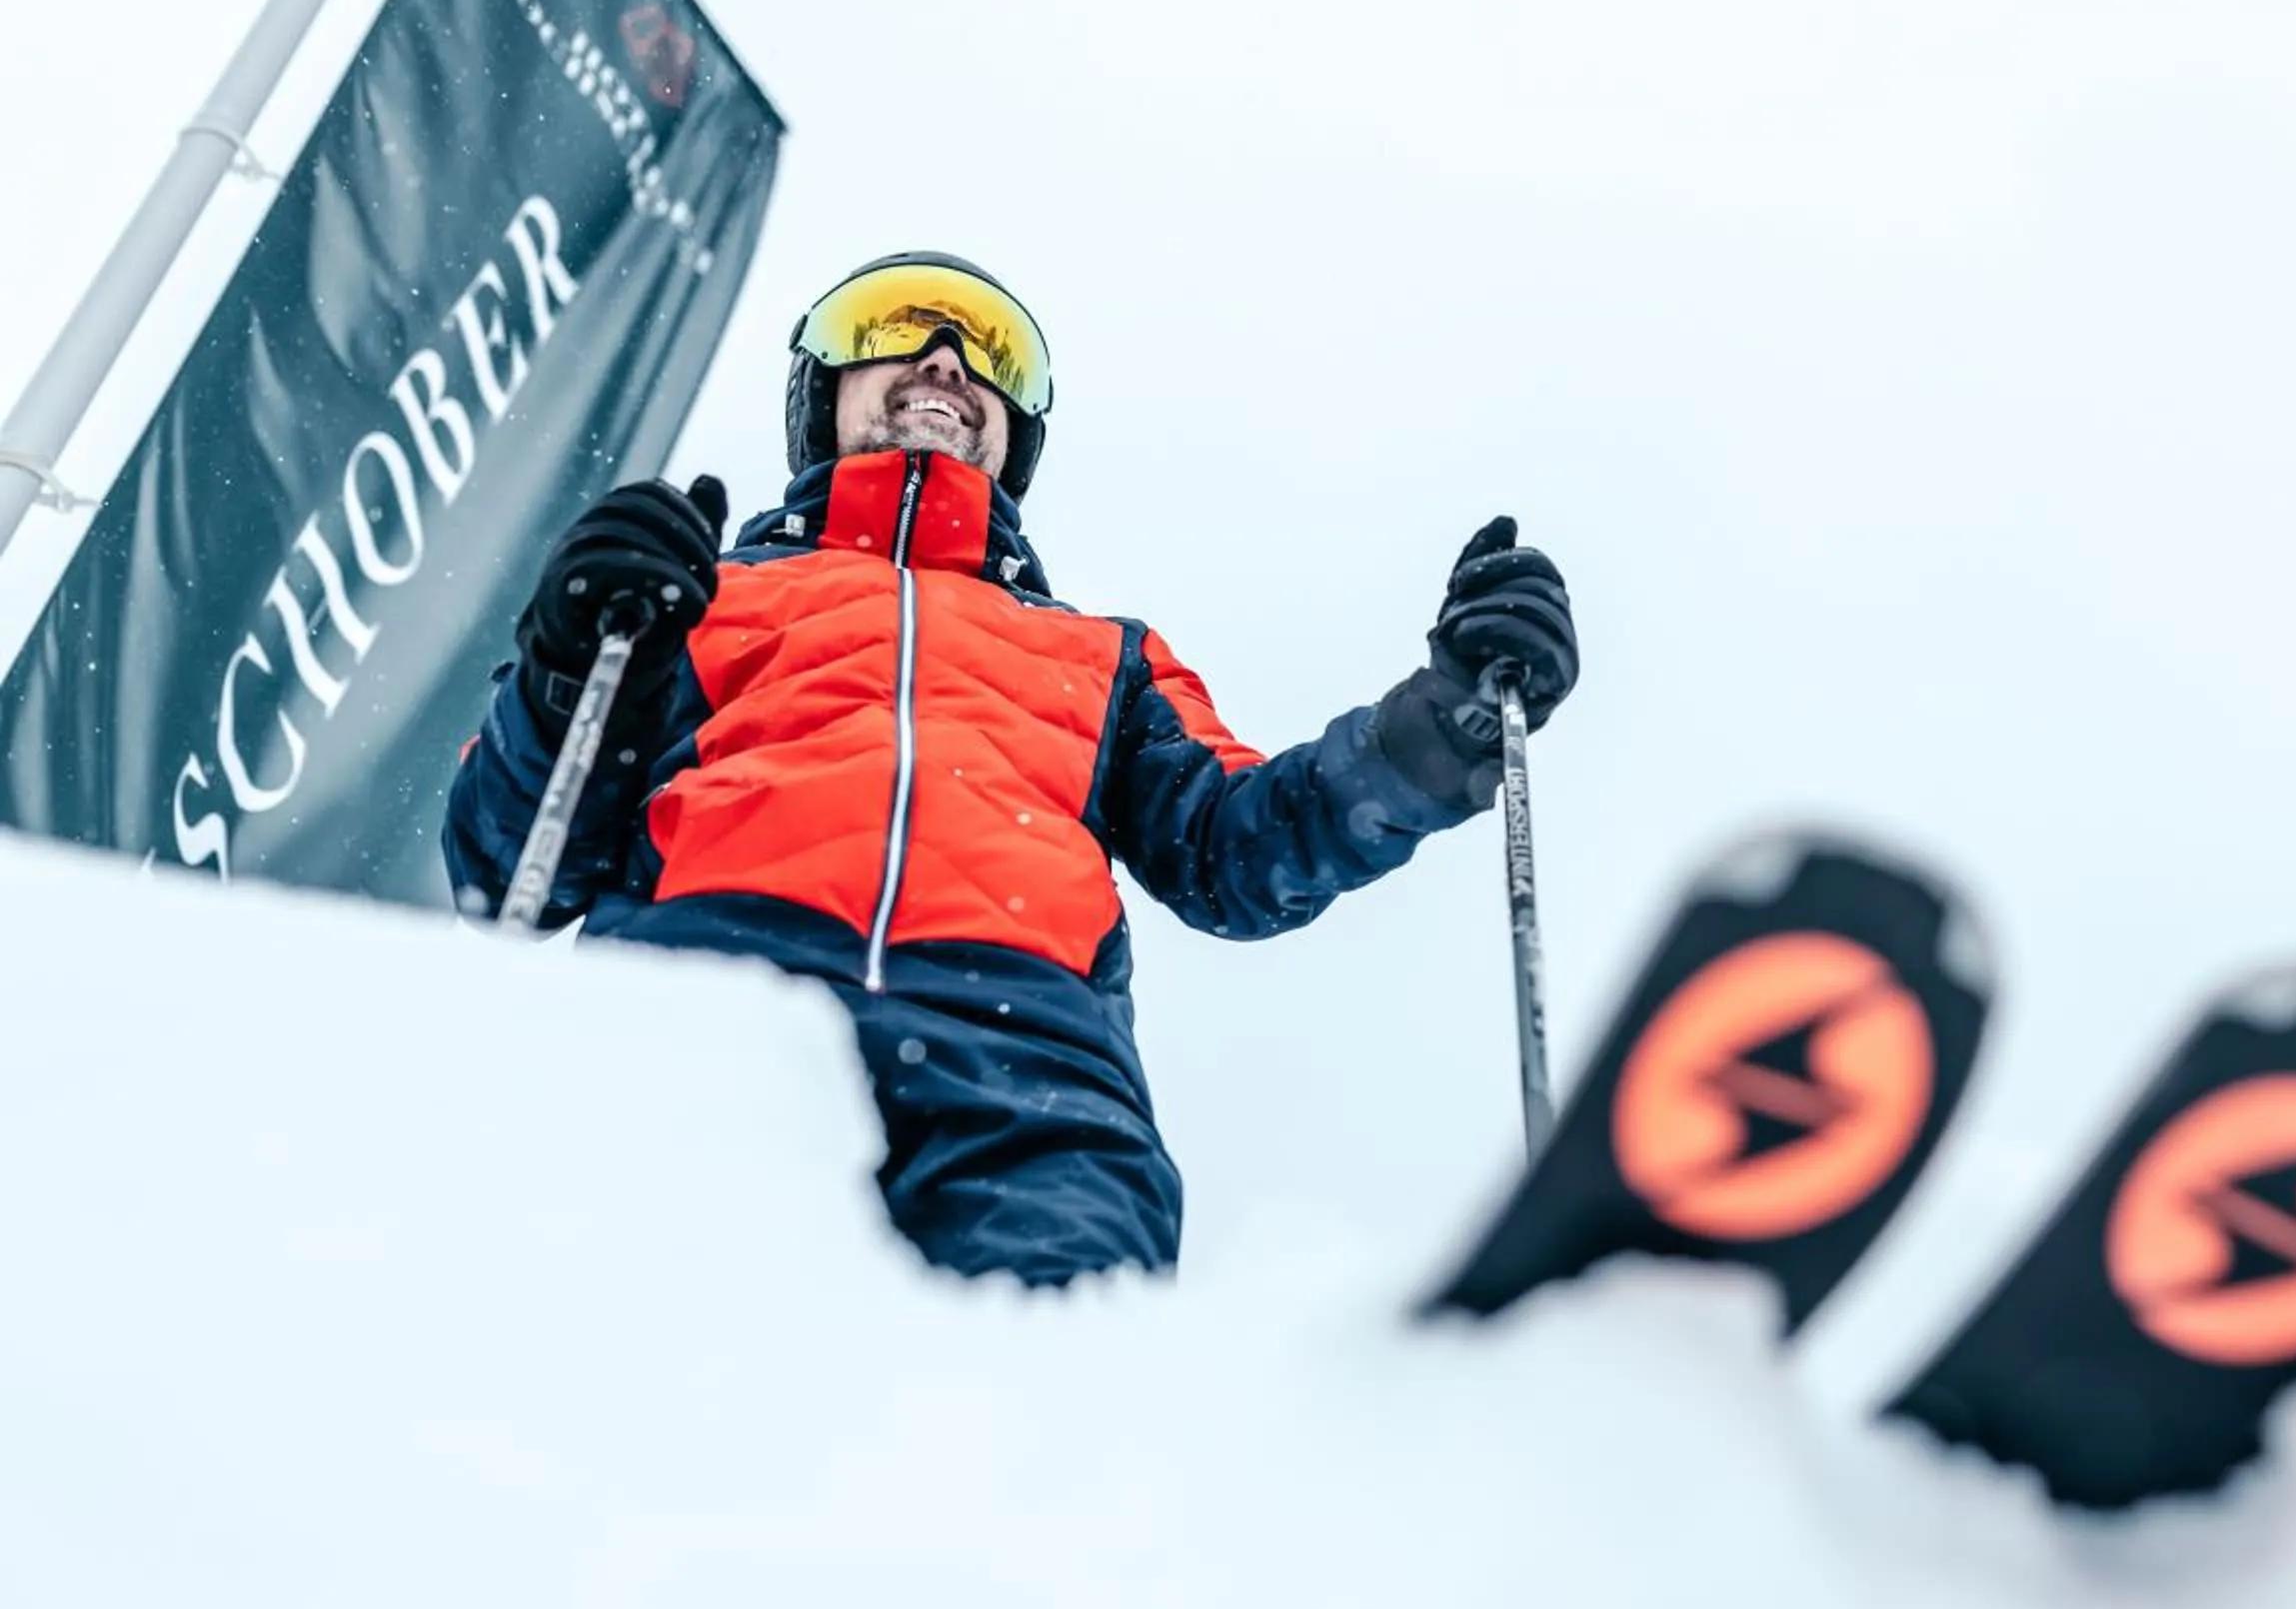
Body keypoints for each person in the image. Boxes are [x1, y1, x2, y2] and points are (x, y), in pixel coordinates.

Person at [443, 251, 1577, 1285]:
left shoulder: (1102, 655)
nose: (946, 358)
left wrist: (1450, 724)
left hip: (1028, 1076)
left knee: (1045, 1429)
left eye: (993, 354)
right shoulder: (703, 597)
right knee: (651, 1370)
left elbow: (1243, 851)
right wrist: (569, 655)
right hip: (699, 1017)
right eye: (889, 325)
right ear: (819, 393)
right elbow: (510, 867)